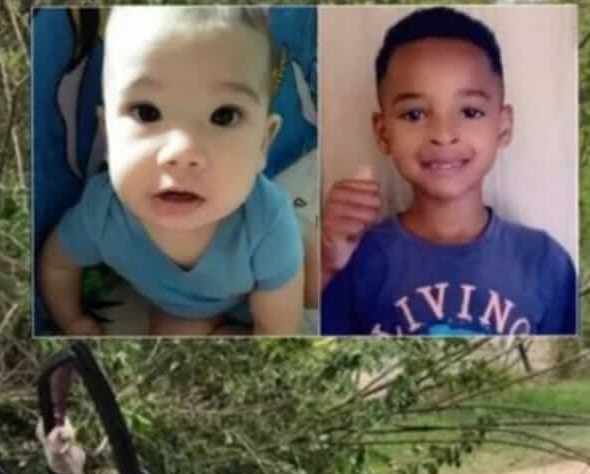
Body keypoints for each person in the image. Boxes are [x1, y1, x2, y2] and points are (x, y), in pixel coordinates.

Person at [37, 6, 305, 337]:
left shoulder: (269, 224)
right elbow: (57, 264)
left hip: (272, 280)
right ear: (107, 134)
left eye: (223, 116)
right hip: (184, 308)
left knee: (316, 276)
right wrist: (72, 321)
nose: (181, 153)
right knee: (175, 333)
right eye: (147, 112)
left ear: (263, 144)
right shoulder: (101, 215)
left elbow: (279, 330)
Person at [320, 6, 577, 337]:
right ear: (383, 133)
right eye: (414, 114)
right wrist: (325, 263)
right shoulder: (352, 258)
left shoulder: (546, 264)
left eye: (470, 111)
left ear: (503, 126)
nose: (443, 133)